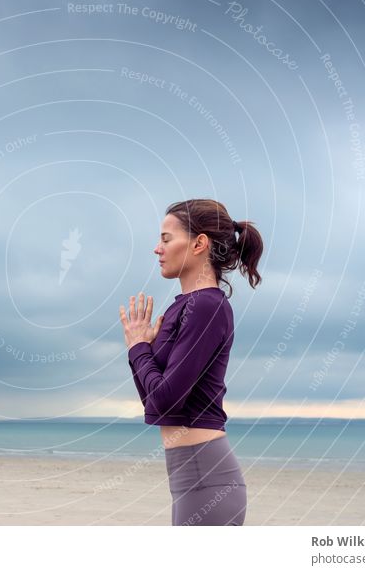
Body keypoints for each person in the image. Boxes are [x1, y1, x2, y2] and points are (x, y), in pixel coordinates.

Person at [119, 199, 264, 525]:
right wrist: (137, 350)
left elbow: (165, 400)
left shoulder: (206, 307)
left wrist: (140, 348)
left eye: (167, 239)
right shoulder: (183, 307)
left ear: (199, 243)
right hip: (191, 476)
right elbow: (155, 406)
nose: (157, 248)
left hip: (206, 478)